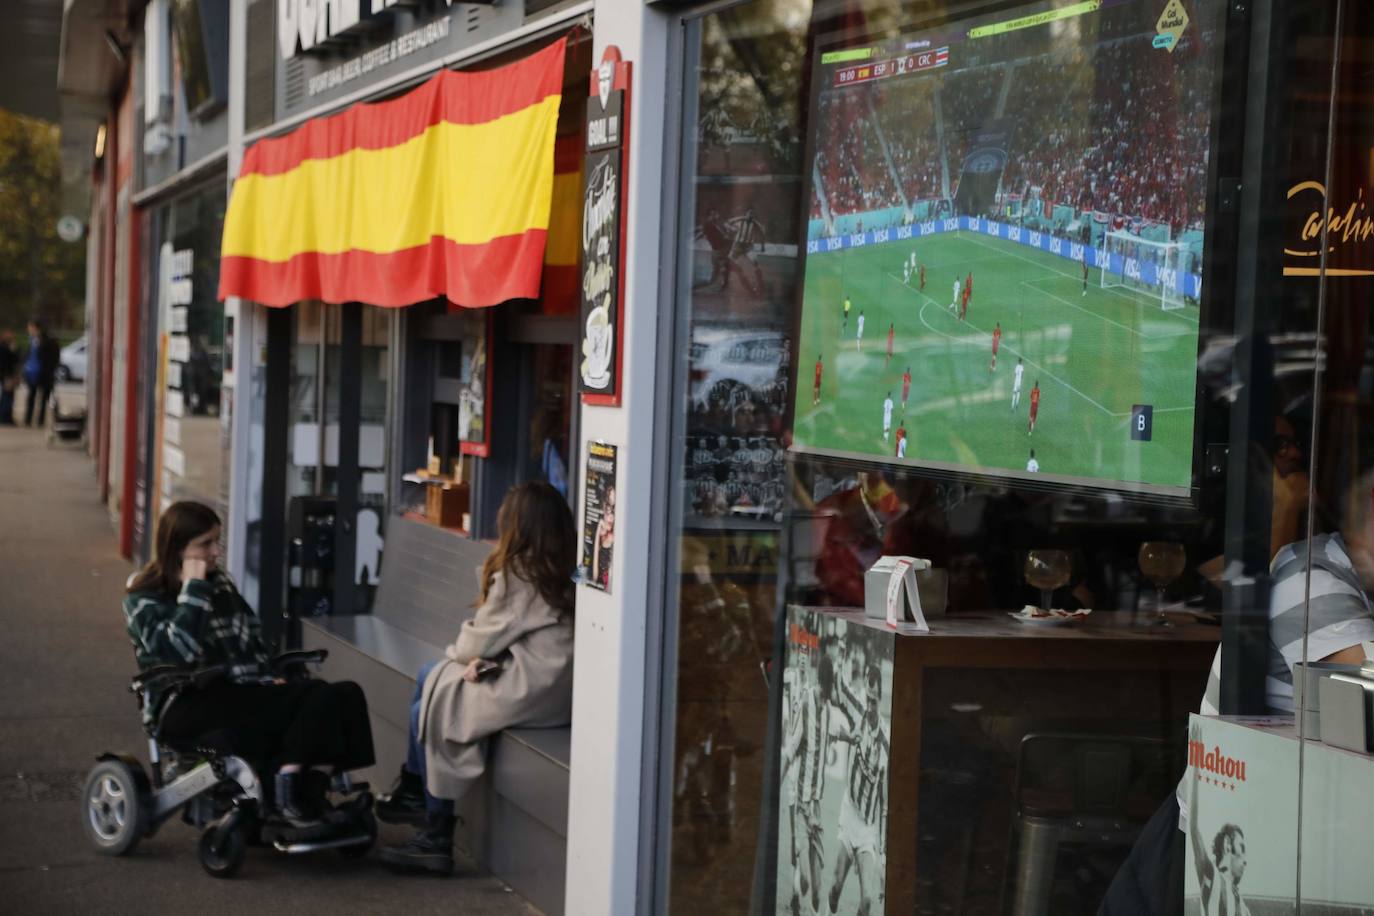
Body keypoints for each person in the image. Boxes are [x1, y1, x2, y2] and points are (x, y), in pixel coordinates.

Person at [123, 501, 375, 823]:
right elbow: (178, 653)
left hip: (237, 692)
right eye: (205, 544)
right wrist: (194, 588)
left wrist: (270, 675)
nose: (216, 552)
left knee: (343, 694)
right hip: (182, 703)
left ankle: (309, 786)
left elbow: (251, 640)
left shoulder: (221, 582)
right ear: (177, 548)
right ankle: (290, 789)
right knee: (314, 697)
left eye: (217, 541)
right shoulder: (142, 597)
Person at [376, 482, 576, 874]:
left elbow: (474, 643)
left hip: (529, 691)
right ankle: (417, 792)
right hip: (556, 690)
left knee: (434, 699)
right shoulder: (564, 568)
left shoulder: (522, 572)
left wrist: (464, 660)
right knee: (430, 679)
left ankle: (436, 831)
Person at [827, 659, 888, 916]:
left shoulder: (886, 740)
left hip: (867, 829)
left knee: (867, 901)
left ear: (881, 698)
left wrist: (883, 848)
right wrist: (840, 651)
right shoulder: (857, 710)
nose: (870, 705)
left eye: (874, 700)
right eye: (868, 697)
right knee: (835, 886)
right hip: (849, 812)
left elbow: (885, 800)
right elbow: (838, 687)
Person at [1189, 723, 1250, 916]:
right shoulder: (1211, 876)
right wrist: (1196, 763)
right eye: (1242, 849)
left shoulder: (1243, 907)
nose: (1246, 861)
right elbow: (1193, 827)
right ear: (1227, 847)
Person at [22, 320, 60, 428]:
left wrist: (51, 370)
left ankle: (40, 421)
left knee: (44, 398)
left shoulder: (49, 341)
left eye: (30, 328)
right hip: (32, 373)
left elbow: (54, 357)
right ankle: (28, 420)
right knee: (31, 397)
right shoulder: (32, 340)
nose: (29, 331)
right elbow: (29, 356)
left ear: (36, 328)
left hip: (45, 374)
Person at [0, 329, 18, 424]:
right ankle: (5, 418)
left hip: (5, 375)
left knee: (6, 397)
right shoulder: (6, 348)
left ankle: (5, 417)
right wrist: (13, 351)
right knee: (7, 398)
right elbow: (13, 360)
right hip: (7, 376)